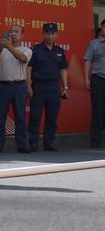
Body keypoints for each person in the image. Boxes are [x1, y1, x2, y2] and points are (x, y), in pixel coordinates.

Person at [27, 23, 68, 152]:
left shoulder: (59, 52)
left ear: (56, 34)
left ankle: (48, 142)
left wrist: (65, 87)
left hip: (54, 87)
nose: (49, 36)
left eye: (52, 33)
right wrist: (28, 85)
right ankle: (33, 142)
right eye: (47, 33)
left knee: (52, 116)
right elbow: (29, 68)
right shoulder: (36, 49)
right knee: (35, 116)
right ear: (43, 34)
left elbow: (63, 70)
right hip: (38, 86)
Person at [0, 24, 31, 153]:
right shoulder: (3, 49)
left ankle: (21, 145)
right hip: (3, 86)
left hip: (19, 86)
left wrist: (9, 47)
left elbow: (23, 59)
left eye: (16, 32)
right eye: (11, 31)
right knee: (0, 116)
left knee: (20, 116)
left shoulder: (26, 50)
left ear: (22, 35)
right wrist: (0, 49)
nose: (13, 33)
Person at [83, 19, 105, 147]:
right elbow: (87, 61)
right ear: (101, 29)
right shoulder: (94, 44)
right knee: (98, 110)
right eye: (104, 27)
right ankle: (95, 140)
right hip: (98, 79)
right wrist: (86, 78)